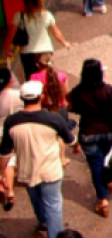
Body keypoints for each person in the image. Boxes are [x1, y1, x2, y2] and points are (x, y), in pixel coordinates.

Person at [0, 81, 75, 238]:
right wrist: (75, 146)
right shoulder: (53, 119)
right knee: (53, 204)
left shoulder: (11, 121)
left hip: (26, 171)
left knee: (36, 199)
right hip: (50, 171)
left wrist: (4, 176)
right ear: (41, 96)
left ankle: (43, 222)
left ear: (22, 98)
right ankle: (54, 234)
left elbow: (5, 152)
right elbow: (70, 140)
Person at [67, 58, 112, 219]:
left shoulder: (78, 92)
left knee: (96, 165)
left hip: (88, 133)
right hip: (108, 132)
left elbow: (73, 106)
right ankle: (111, 180)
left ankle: (103, 198)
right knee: (109, 159)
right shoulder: (109, 91)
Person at [5, 0, 71, 81]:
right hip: (45, 51)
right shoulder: (46, 15)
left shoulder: (19, 16)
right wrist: (64, 43)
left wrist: (7, 49)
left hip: (27, 52)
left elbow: (10, 34)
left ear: (24, 2)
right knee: (47, 76)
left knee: (31, 78)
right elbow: (56, 32)